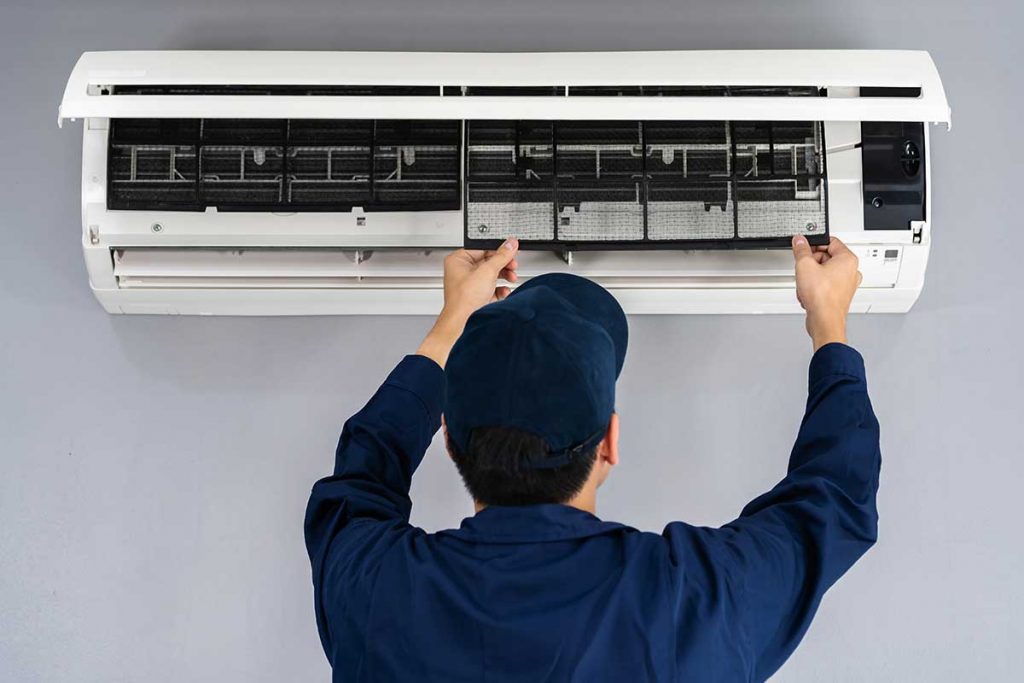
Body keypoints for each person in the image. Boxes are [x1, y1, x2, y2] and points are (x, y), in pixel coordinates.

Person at [304, 235, 879, 682]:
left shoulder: (373, 594)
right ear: (609, 442)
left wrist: (452, 324)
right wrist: (828, 322)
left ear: (448, 436)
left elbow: (362, 472)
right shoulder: (695, 601)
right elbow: (835, 500)